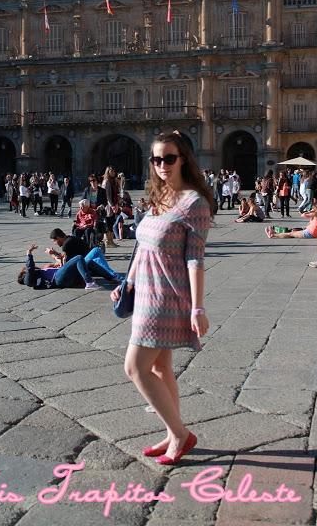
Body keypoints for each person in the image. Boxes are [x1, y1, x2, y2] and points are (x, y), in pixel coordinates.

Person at [111, 131, 213, 465]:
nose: (162, 165)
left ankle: (181, 434)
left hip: (168, 296)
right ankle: (173, 432)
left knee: (134, 367)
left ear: (184, 158)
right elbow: (142, 246)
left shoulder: (193, 203)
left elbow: (195, 259)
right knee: (159, 366)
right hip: (144, 292)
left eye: (169, 158)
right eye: (156, 159)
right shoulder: (159, 197)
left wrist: (198, 307)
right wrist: (125, 282)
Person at [49, 228, 124, 282]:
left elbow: (64, 260)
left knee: (96, 254)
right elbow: (64, 260)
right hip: (84, 263)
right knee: (96, 253)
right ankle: (114, 276)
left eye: (54, 241)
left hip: (84, 262)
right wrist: (54, 254)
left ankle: (113, 276)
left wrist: (54, 255)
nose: (54, 243)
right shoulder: (69, 239)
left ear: (58, 238)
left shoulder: (66, 244)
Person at [18, 244, 101, 290]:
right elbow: (30, 268)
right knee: (78, 258)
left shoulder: (40, 272)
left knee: (88, 262)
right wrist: (29, 254)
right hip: (58, 278)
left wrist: (61, 260)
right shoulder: (28, 281)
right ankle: (89, 283)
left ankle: (111, 276)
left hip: (63, 277)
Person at [101, 166, 120, 248]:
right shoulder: (107, 181)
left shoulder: (112, 181)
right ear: (108, 172)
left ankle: (110, 241)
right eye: (111, 171)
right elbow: (108, 195)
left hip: (112, 204)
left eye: (113, 171)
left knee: (111, 223)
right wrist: (112, 206)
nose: (113, 172)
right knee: (109, 223)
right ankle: (109, 241)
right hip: (108, 205)